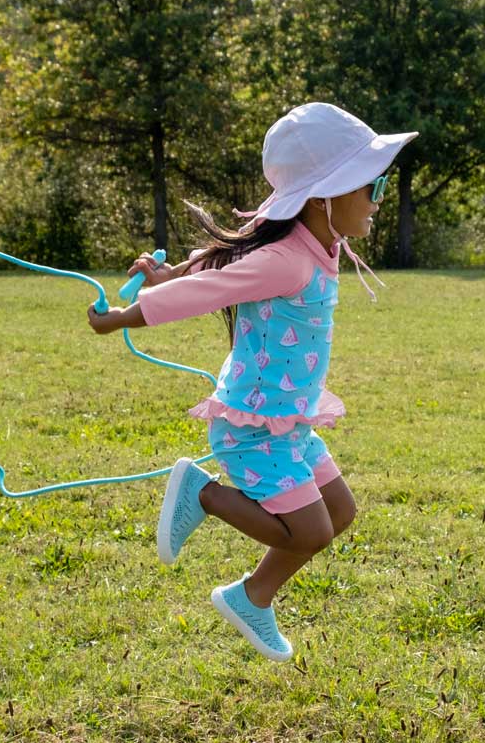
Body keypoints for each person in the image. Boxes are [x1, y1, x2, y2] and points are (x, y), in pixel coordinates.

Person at [88, 102, 418, 662]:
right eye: (371, 187)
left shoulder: (313, 246)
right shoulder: (289, 260)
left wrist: (177, 269)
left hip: (290, 423)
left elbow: (230, 257)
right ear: (323, 198)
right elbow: (213, 289)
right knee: (310, 530)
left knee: (339, 513)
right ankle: (205, 493)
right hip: (254, 430)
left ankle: (252, 596)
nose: (378, 200)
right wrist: (128, 315)